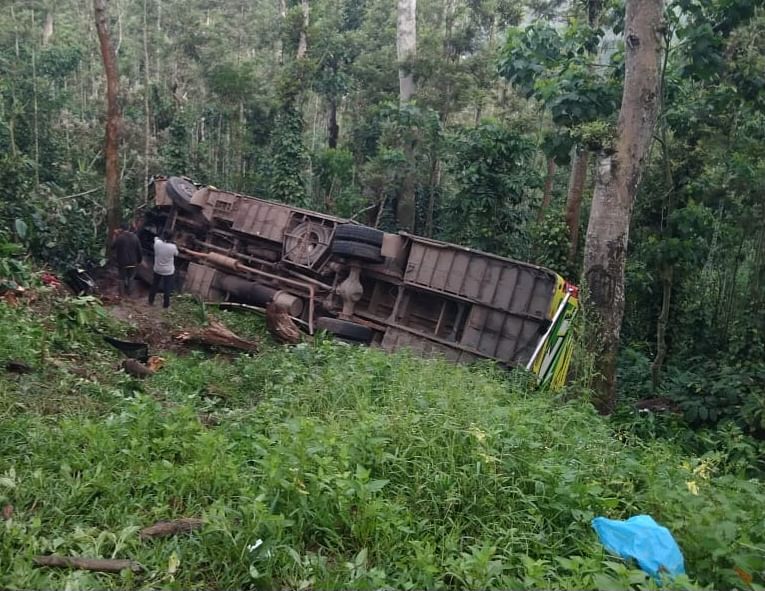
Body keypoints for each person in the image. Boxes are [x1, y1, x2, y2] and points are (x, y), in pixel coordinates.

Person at [148, 230, 179, 308]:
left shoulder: (157, 244)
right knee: (167, 288)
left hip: (157, 269)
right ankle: (166, 305)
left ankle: (150, 301)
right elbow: (177, 254)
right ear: (172, 238)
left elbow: (156, 238)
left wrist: (161, 238)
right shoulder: (173, 247)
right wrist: (174, 243)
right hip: (168, 271)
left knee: (154, 285)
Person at [111, 223, 143, 296]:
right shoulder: (135, 237)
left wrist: (115, 235)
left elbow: (112, 246)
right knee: (131, 278)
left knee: (121, 278)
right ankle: (129, 293)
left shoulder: (119, 238)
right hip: (133, 262)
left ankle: (122, 294)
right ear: (128, 228)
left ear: (121, 229)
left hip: (122, 262)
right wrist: (139, 260)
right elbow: (139, 250)